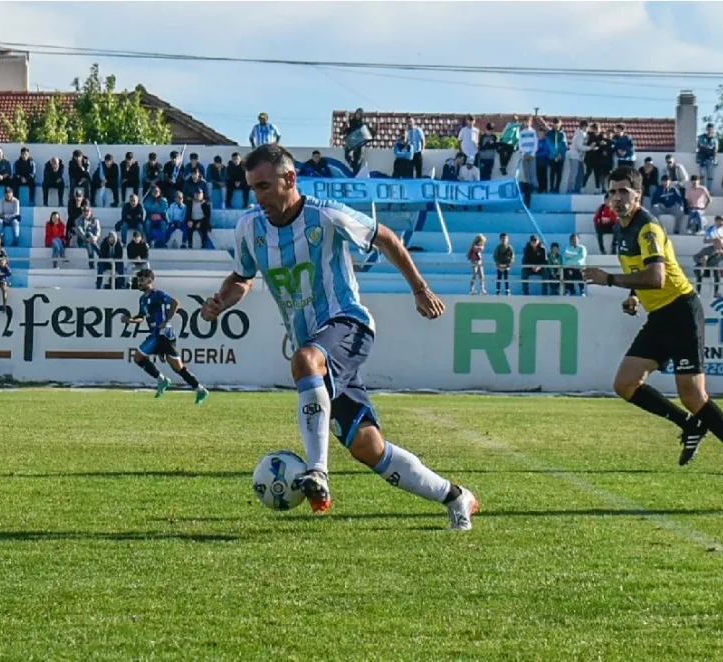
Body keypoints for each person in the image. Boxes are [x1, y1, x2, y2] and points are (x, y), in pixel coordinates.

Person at [200, 144, 477, 529]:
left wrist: (419, 289)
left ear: (290, 179)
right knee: (368, 446)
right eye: (253, 188)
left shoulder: (325, 215)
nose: (257, 196)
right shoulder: (250, 227)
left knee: (304, 361)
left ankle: (318, 472)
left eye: (264, 186)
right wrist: (222, 301)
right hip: (314, 343)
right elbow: (243, 276)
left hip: (349, 324)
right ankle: (456, 496)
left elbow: (386, 238)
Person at [582, 166, 723, 475]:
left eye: (624, 191)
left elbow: (657, 276)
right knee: (625, 384)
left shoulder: (647, 228)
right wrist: (635, 296)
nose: (616, 197)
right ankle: (689, 425)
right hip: (660, 315)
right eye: (612, 192)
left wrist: (608, 279)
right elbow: (643, 274)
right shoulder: (621, 229)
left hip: (681, 311)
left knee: (692, 395)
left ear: (638, 195)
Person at [122, 269, 209, 404]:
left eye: (142, 280)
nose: (139, 282)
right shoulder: (143, 299)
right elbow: (141, 317)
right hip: (156, 334)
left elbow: (175, 302)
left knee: (141, 358)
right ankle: (199, 389)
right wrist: (131, 320)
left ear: (150, 281)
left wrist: (166, 320)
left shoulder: (157, 294)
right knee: (177, 367)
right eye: (138, 280)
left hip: (163, 334)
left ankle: (164, 380)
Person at [696, 123, 719, 191]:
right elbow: (699, 147)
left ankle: (709, 190)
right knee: (702, 175)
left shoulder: (715, 139)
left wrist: (716, 160)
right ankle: (703, 190)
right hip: (702, 158)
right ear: (706, 129)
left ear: (713, 130)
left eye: (711, 129)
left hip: (711, 159)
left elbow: (716, 150)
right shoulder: (701, 137)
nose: (709, 131)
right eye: (708, 129)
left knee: (710, 176)